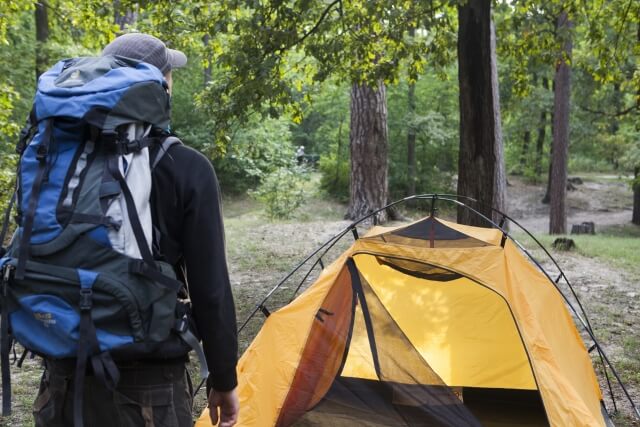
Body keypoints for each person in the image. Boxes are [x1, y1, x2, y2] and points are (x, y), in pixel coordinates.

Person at [33, 33, 239, 427]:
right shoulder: (187, 166)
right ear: (159, 85)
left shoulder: (53, 157)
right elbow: (210, 290)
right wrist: (224, 378)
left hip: (60, 381)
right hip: (147, 389)